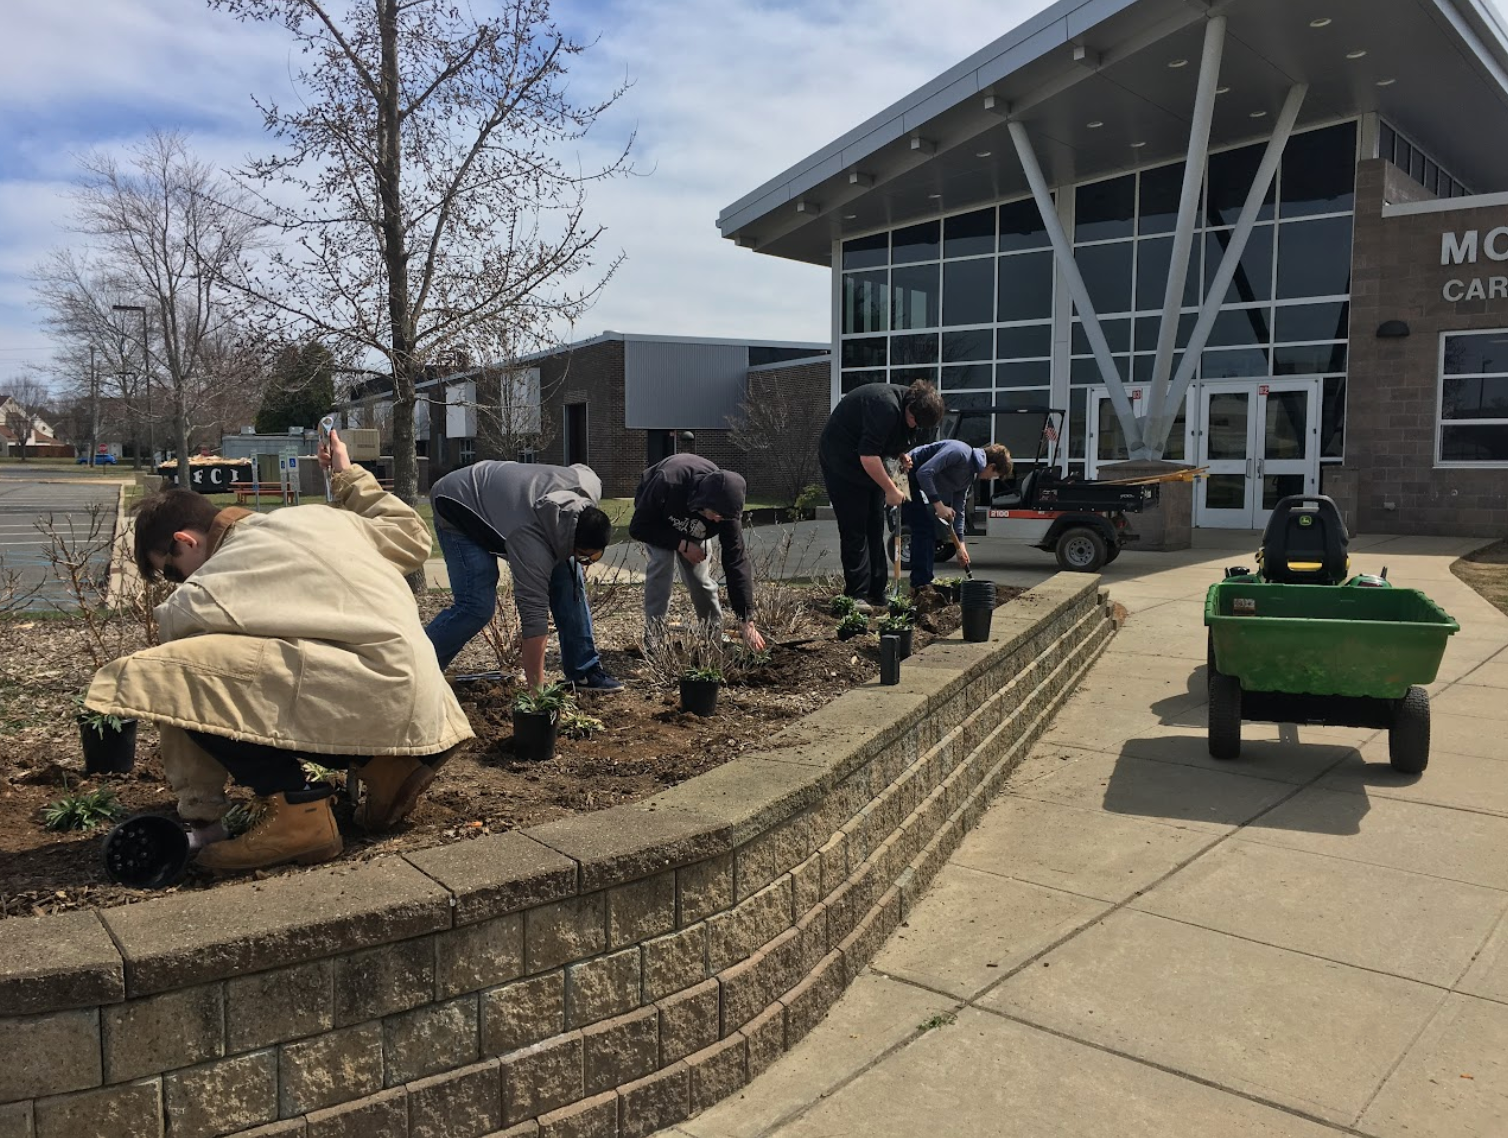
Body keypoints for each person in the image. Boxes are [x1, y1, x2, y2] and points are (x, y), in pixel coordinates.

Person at [83, 428, 474, 872]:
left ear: (186, 541)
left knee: (153, 674)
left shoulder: (202, 595)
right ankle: (385, 765)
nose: (180, 582)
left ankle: (299, 812)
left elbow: (180, 696)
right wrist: (345, 476)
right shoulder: (320, 519)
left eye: (171, 571)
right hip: (427, 701)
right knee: (286, 657)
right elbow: (409, 535)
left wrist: (201, 812)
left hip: (368, 696)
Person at [426, 460, 622, 693]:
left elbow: (583, 468)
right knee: (475, 605)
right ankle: (414, 667)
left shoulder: (587, 486)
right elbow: (534, 621)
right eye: (586, 557)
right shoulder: (529, 543)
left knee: (570, 579)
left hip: (502, 496)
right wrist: (537, 695)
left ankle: (584, 673)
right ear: (573, 540)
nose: (588, 563)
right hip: (456, 501)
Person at [818, 379, 946, 611]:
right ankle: (857, 594)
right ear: (910, 408)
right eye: (914, 421)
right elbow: (868, 455)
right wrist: (890, 488)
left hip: (868, 463)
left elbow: (886, 441)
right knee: (855, 527)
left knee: (875, 527)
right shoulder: (884, 406)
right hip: (842, 461)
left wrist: (900, 454)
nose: (915, 426)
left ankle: (877, 593)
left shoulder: (912, 412)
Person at [628, 453, 766, 651]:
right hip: (657, 520)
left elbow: (736, 561)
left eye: (724, 518)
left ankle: (713, 635)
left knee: (699, 578)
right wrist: (682, 545)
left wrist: (746, 621)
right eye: (716, 515)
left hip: (692, 526)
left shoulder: (726, 510)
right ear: (704, 500)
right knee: (661, 565)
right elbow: (639, 527)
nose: (718, 520)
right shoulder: (667, 481)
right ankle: (654, 639)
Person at [905, 440, 1013, 591]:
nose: (989, 479)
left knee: (927, 531)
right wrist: (939, 505)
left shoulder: (969, 476)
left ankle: (922, 582)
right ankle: (920, 585)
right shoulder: (960, 453)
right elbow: (924, 472)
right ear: (991, 466)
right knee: (924, 530)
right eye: (994, 475)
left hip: (917, 482)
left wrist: (960, 546)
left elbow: (959, 509)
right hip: (906, 471)